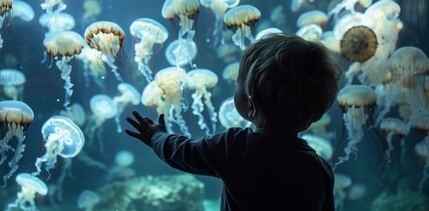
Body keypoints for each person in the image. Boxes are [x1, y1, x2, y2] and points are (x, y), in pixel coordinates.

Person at [125, 33, 342, 211]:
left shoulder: (235, 146)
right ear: (313, 114)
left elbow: (182, 153)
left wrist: (156, 136)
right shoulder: (319, 169)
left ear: (252, 104)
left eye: (238, 83)